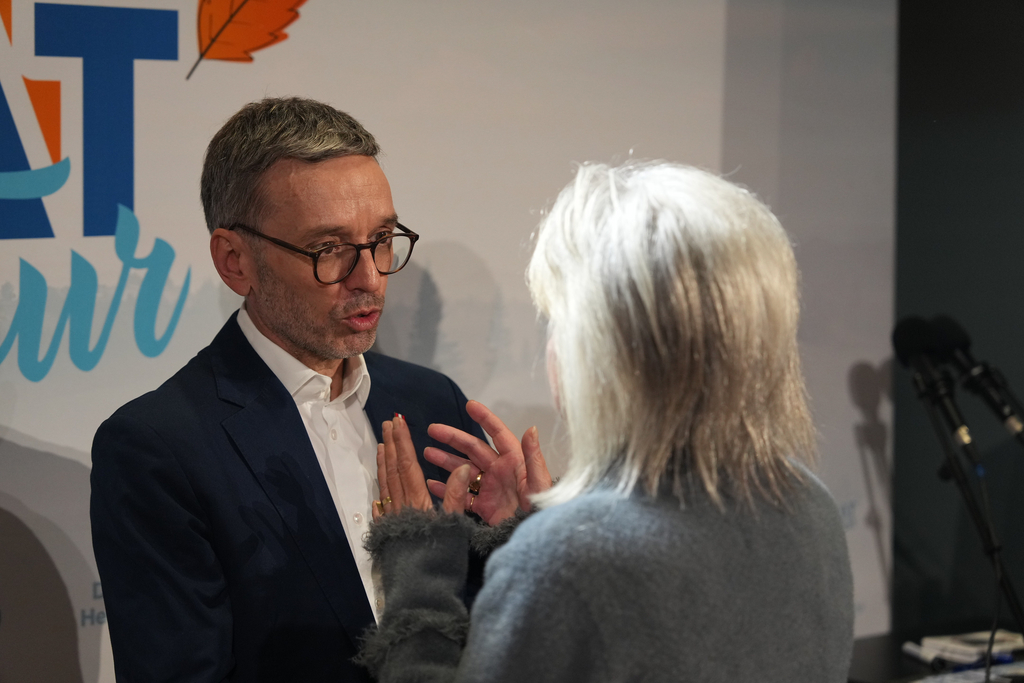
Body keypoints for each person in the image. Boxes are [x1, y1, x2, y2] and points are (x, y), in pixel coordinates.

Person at [359, 161, 856, 683]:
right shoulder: (811, 507)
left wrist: (420, 567)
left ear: (602, 350)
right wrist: (527, 535)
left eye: (556, 321)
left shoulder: (568, 561)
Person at [90, 97, 496, 682]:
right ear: (235, 261)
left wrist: (525, 538)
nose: (370, 277)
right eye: (328, 249)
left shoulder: (435, 403)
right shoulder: (158, 449)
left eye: (382, 238)